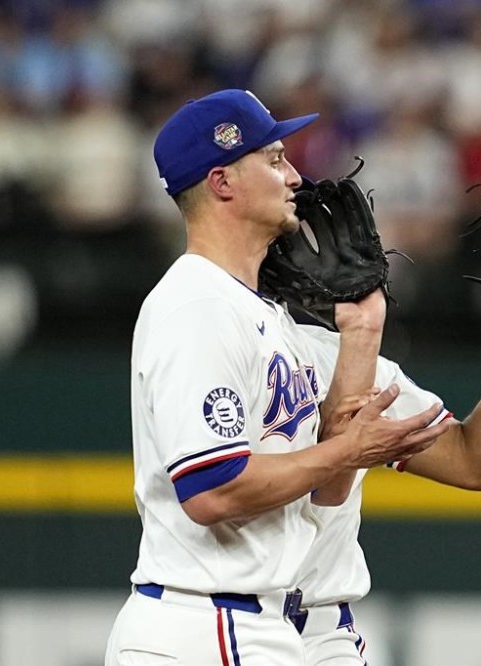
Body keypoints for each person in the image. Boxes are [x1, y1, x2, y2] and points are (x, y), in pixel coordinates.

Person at [103, 89, 451, 666]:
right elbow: (213, 489)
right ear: (222, 182)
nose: (295, 177)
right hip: (205, 624)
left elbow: (319, 494)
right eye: (274, 160)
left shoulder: (257, 312)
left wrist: (362, 336)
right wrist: (349, 449)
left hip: (254, 621)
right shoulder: (197, 304)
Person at [292, 297, 481, 664]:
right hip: (215, 610)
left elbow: (473, 462)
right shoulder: (209, 346)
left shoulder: (345, 358)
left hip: (319, 631)